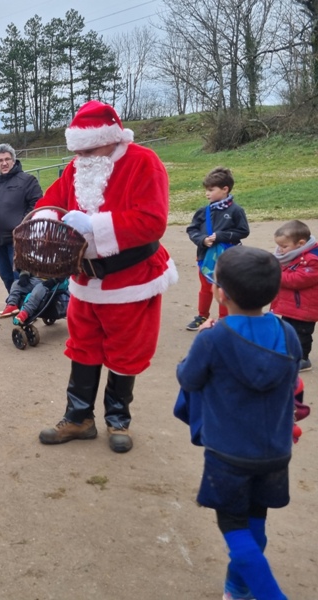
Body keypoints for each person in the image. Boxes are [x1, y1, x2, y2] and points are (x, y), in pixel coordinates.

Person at [34, 100, 178, 453]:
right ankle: (79, 418)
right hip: (84, 279)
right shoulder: (77, 166)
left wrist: (95, 225)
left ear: (111, 138)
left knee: (126, 350)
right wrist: (45, 219)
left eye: (89, 149)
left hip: (131, 277)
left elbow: (152, 221)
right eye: (78, 150)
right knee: (82, 346)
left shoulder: (144, 162)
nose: (82, 156)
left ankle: (118, 419)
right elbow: (52, 201)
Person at [175, 246, 300, 600]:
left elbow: (189, 378)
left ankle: (270, 595)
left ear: (221, 293)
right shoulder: (287, 333)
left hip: (229, 454)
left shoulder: (213, 338)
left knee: (233, 527)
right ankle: (237, 589)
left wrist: (200, 342)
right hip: (275, 451)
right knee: (255, 522)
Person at [185, 167, 249, 331]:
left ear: (225, 189)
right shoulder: (203, 211)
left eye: (211, 190)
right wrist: (202, 240)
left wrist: (221, 236)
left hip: (227, 257)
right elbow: (192, 229)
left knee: (224, 288)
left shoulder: (236, 210)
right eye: (206, 190)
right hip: (205, 256)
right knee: (206, 287)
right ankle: (202, 316)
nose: (207, 194)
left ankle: (224, 319)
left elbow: (243, 231)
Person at [0, 143, 43, 293]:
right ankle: (13, 302)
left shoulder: (27, 181)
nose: (4, 163)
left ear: (13, 160)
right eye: (0, 160)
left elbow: (37, 205)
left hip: (18, 241)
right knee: (6, 277)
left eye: (7, 159)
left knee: (21, 278)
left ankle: (26, 304)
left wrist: (21, 226)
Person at [270, 219, 318, 372]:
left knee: (302, 334)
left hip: (305, 308)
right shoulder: (291, 255)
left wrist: (275, 274)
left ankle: (303, 359)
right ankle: (289, 355)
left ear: (300, 243)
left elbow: (297, 280)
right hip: (292, 305)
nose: (280, 249)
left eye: (284, 246)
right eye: (279, 246)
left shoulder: (313, 260)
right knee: (288, 331)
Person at [0, 270, 67, 325]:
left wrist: (55, 280)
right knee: (16, 284)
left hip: (55, 281)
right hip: (37, 278)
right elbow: (28, 263)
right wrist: (24, 274)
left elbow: (66, 267)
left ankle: (26, 312)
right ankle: (12, 304)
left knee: (38, 290)